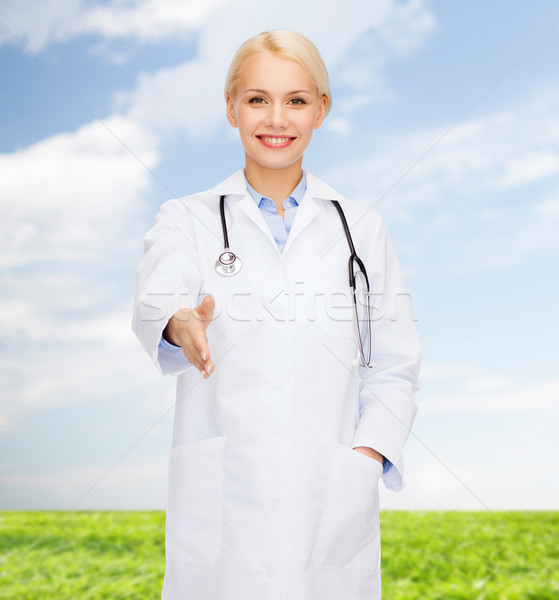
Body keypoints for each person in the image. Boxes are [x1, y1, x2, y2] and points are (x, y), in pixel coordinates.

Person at [132, 29, 420, 600]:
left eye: (297, 100)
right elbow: (159, 293)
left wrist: (364, 460)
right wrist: (179, 323)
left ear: (321, 111)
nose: (277, 118)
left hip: (331, 500)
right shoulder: (186, 217)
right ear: (232, 108)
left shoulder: (360, 229)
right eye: (258, 99)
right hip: (223, 502)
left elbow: (394, 365)